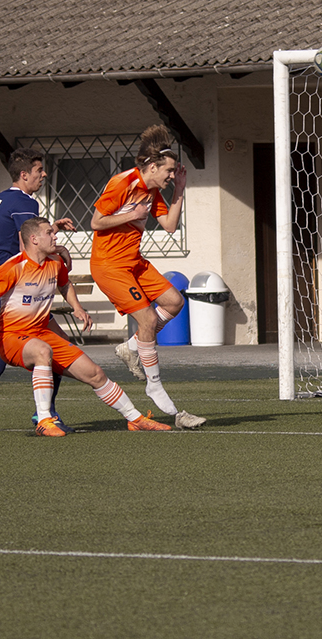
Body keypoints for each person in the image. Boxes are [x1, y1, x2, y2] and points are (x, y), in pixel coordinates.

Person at [0, 217, 171, 436]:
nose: (55, 236)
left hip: (42, 334)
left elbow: (64, 284)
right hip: (12, 337)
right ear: (34, 239)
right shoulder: (14, 267)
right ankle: (44, 420)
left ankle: (135, 418)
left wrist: (77, 307)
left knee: (95, 374)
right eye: (49, 233)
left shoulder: (54, 262)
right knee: (43, 351)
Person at [92, 125, 205, 429]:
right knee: (148, 320)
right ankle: (154, 385)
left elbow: (169, 225)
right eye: (169, 171)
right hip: (110, 265)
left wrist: (179, 189)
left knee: (174, 302)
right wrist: (131, 215)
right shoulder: (122, 183)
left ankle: (131, 347)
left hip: (134, 262)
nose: (171, 175)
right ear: (152, 167)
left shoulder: (153, 191)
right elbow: (96, 221)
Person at [0, 148, 76, 432]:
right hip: (3, 288)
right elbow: (28, 247)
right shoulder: (26, 203)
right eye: (39, 170)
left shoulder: (4, 197)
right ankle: (45, 413)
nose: (44, 174)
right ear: (24, 175)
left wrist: (52, 228)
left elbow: (22, 236)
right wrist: (58, 249)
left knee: (5, 347)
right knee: (58, 345)